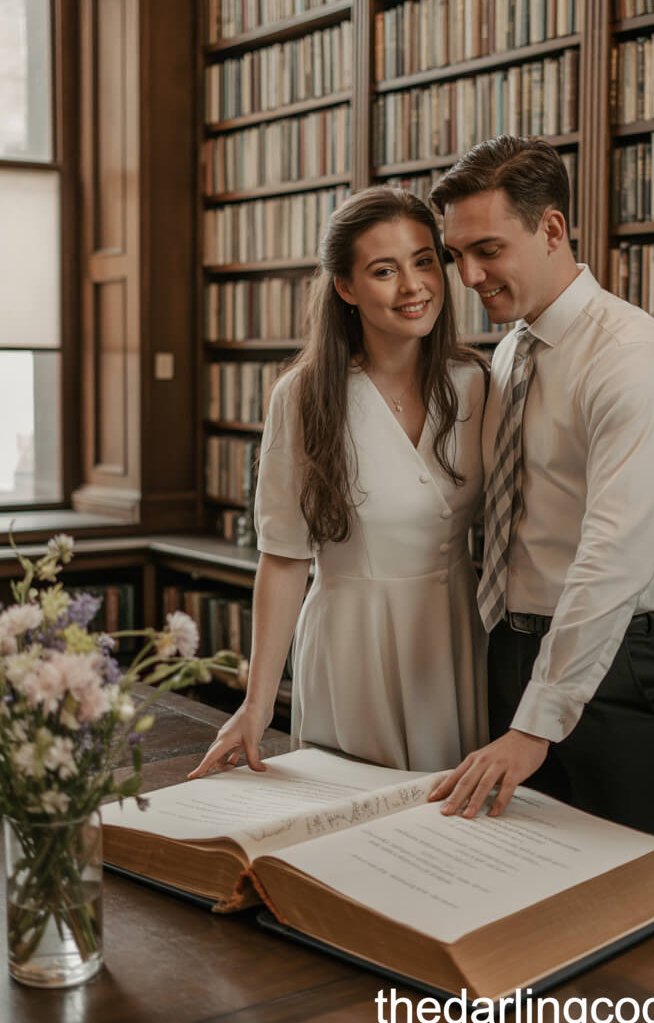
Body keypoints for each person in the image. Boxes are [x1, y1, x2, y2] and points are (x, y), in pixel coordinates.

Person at [427, 136, 654, 850]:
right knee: (524, 886)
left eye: (486, 249)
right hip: (512, 649)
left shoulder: (632, 359)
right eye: (455, 255)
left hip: (616, 665)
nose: (468, 274)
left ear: (551, 228)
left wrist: (534, 723)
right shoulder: (514, 345)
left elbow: (614, 556)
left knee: (630, 900)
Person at [190, 186, 488, 778]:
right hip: (352, 643)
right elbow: (282, 558)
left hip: (455, 638)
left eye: (424, 260)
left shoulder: (478, 383)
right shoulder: (303, 397)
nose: (413, 286)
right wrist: (255, 704)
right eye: (385, 270)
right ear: (346, 288)